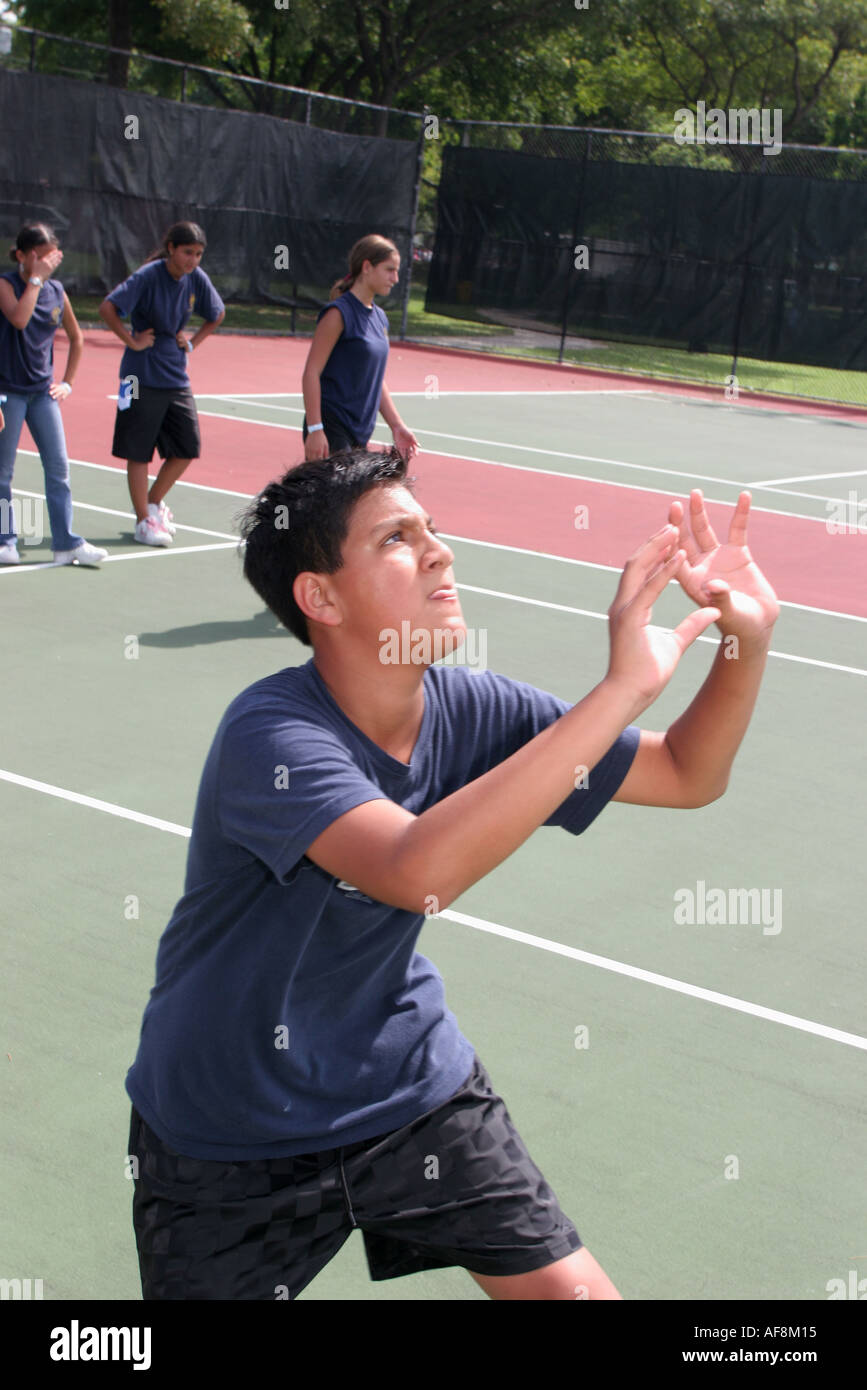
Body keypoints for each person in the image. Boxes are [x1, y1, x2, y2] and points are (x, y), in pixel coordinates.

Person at [125, 449, 779, 1301]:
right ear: (319, 597)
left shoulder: (475, 708)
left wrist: (745, 639)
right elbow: (414, 869)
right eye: (397, 539)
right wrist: (618, 689)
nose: (441, 552)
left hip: (405, 1089)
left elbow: (689, 775)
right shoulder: (271, 736)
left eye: (432, 530)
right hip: (227, 1126)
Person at [99, 221, 225, 547]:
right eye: (187, 252)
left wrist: (193, 342)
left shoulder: (196, 278)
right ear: (171, 248)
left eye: (198, 254)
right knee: (138, 449)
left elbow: (217, 313)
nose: (193, 260)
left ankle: (152, 503)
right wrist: (132, 340)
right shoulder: (148, 276)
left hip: (175, 374)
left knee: (187, 446)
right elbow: (108, 307)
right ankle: (144, 521)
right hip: (136, 376)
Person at [0, 223, 108, 567]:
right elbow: (19, 319)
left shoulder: (58, 291)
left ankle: (66, 543)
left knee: (59, 468)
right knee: (3, 473)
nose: (48, 263)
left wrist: (68, 382)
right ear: (21, 255)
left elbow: (76, 338)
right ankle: (5, 542)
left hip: (41, 395)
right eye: (40, 257)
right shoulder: (6, 285)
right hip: (7, 392)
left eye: (51, 257)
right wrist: (35, 279)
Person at [301, 234, 418, 462]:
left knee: (337, 498)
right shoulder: (338, 314)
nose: (395, 278)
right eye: (389, 270)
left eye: (396, 271)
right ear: (367, 267)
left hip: (360, 431)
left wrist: (397, 425)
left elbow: (374, 377)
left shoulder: (380, 318)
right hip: (332, 426)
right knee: (342, 497)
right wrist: (316, 429)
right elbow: (311, 372)